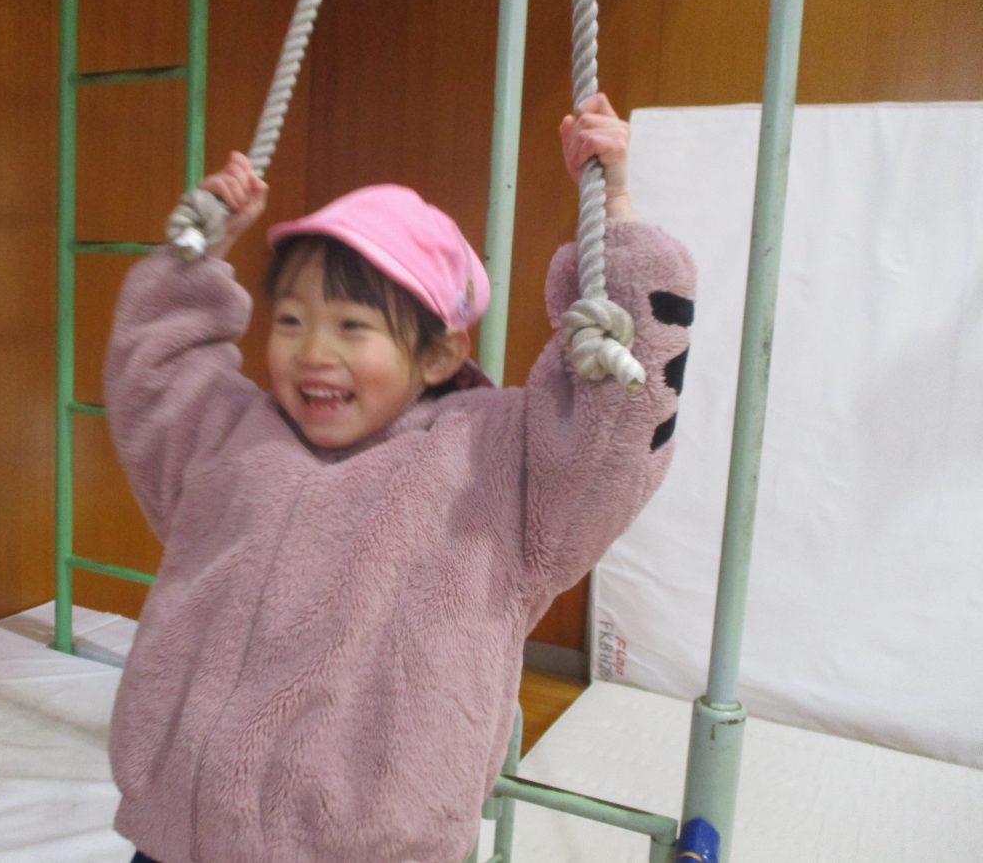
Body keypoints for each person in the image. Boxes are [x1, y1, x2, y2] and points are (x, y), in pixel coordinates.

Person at [104, 93, 695, 863]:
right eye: (290, 320)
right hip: (178, 841)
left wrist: (612, 206)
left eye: (352, 326)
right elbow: (154, 377)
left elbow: (614, 424)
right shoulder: (232, 440)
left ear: (440, 353)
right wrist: (192, 255)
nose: (314, 352)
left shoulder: (494, 468)